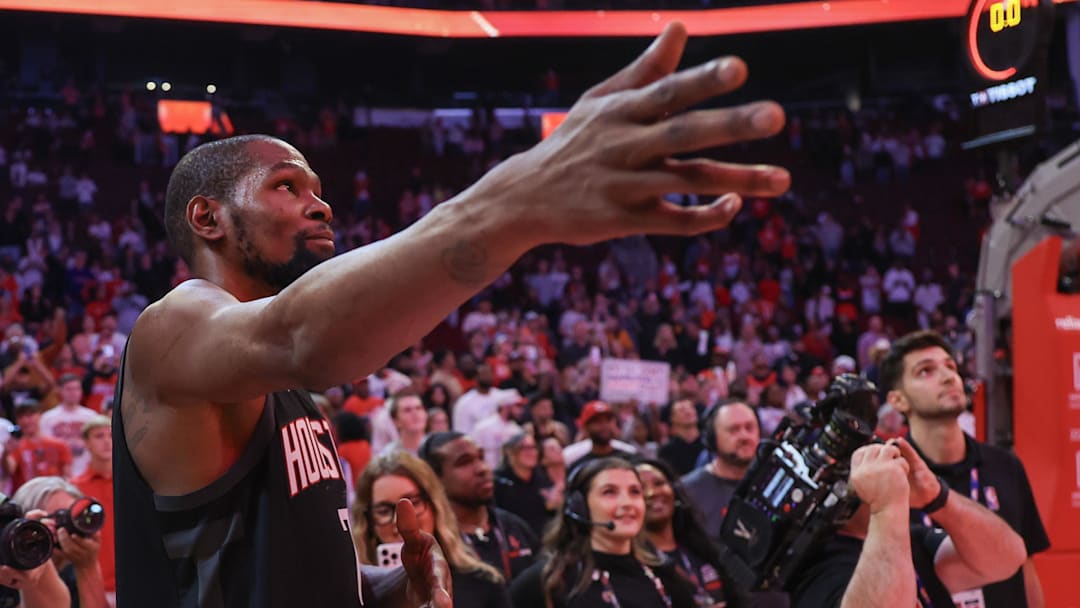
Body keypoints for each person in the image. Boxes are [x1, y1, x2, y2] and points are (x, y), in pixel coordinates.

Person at [115, 20, 788, 608]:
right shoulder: (173, 328)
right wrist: (522, 197)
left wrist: (394, 584)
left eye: (319, 190)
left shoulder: (278, 383)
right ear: (208, 218)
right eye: (286, 187)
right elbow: (306, 334)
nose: (319, 206)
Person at [879, 330, 1050, 607]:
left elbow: (1026, 570)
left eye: (950, 367)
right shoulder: (891, 479)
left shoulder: (1006, 466)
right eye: (926, 371)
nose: (949, 377)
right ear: (898, 400)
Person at [789, 439, 1027, 608]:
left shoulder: (910, 538)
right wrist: (886, 506)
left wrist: (938, 498)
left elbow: (1008, 559)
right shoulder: (817, 566)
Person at [510, 457, 698, 607]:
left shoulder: (664, 575)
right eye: (610, 492)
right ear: (580, 507)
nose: (627, 503)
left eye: (634, 492)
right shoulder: (548, 582)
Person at [352, 452, 512, 608]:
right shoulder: (355, 594)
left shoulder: (484, 582)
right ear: (368, 522)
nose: (398, 522)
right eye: (383, 511)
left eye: (413, 503)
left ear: (435, 507)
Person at [420, 432, 539, 581]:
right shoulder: (435, 545)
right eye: (464, 462)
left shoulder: (515, 527)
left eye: (481, 457)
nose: (482, 468)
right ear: (436, 478)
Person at [636, 458, 743, 607]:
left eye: (659, 483)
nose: (651, 493)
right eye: (639, 489)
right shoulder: (635, 565)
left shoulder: (703, 547)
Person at [13, 476, 108, 608]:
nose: (64, 528)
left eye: (71, 517)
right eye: (55, 518)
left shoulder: (73, 572)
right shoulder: (8, 573)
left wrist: (88, 566)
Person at [680, 399, 759, 543]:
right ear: (712, 438)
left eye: (750, 428)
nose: (744, 436)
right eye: (733, 430)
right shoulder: (688, 491)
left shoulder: (773, 481)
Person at [70, 416, 116, 605]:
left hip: (133, 580)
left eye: (111, 436)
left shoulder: (132, 485)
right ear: (86, 443)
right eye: (99, 436)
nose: (106, 441)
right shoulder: (74, 488)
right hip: (94, 583)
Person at [493, 431, 560, 538]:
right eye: (525, 448)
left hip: (542, 540)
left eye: (533, 447)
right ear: (512, 452)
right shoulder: (499, 482)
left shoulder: (542, 478)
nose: (532, 452)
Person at [5, 401, 73, 491]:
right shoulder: (16, 447)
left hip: (54, 494)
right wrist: (5, 453)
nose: (26, 421)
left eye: (30, 415)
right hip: (27, 497)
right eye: (21, 417)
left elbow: (67, 476)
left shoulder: (59, 445)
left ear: (40, 415)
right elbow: (10, 470)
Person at [39, 374, 98, 477]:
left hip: (86, 470)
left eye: (77, 389)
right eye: (69, 389)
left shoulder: (91, 416)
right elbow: (45, 447)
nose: (73, 393)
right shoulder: (47, 418)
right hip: (57, 473)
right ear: (60, 391)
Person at [562, 401, 637, 470]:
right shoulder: (573, 458)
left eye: (607, 421)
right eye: (598, 422)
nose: (604, 426)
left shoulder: (629, 454)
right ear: (586, 427)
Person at [657, 399, 704, 476]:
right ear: (673, 418)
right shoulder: (666, 451)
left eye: (691, 407)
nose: (688, 412)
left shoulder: (709, 443)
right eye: (682, 410)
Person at [378, 393, 429, 458]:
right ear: (396, 421)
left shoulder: (439, 447)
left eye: (418, 408)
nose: (415, 413)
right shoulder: (388, 456)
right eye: (407, 410)